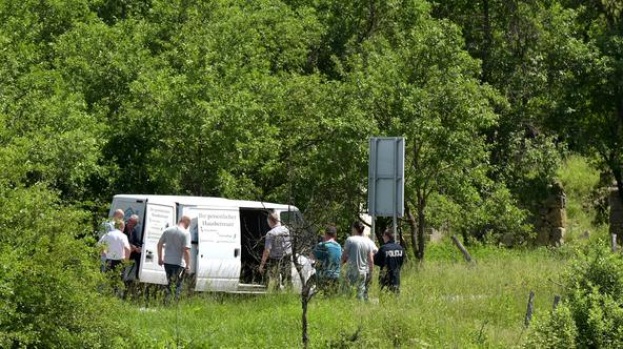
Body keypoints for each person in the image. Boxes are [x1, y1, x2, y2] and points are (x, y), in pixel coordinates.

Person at [157, 216, 191, 303]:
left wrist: (160, 258)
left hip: (167, 261)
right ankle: (173, 303)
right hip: (178, 263)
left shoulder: (168, 230)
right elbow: (186, 251)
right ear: (186, 222)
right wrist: (188, 265)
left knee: (170, 283)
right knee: (177, 284)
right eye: (188, 224)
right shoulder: (185, 233)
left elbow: (159, 244)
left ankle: (167, 301)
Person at [259, 211, 292, 291]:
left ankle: (276, 294)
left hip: (276, 259)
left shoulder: (271, 233)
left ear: (270, 221)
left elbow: (267, 250)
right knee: (288, 279)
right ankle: (289, 294)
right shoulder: (287, 230)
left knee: (274, 280)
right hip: (287, 258)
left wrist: (262, 264)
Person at [342, 221, 374, 300]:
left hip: (352, 271)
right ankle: (361, 309)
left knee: (348, 293)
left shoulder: (350, 240)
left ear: (354, 229)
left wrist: (339, 266)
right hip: (363, 272)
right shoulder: (367, 241)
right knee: (360, 293)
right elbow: (371, 260)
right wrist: (370, 273)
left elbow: (344, 256)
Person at [312, 225, 342, 293]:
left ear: (325, 234)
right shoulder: (339, 246)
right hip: (336, 276)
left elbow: (312, 256)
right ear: (335, 235)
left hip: (324, 276)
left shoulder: (322, 245)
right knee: (332, 299)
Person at [374, 228, 405, 293]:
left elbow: (376, 261)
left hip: (384, 278)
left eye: (383, 236)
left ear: (386, 236)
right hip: (396, 278)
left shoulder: (383, 248)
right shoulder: (400, 248)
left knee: (384, 299)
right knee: (395, 298)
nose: (383, 238)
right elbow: (401, 262)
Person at [123, 214, 142, 282]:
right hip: (123, 250)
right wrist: (132, 246)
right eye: (132, 223)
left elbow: (137, 241)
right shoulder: (123, 228)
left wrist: (138, 247)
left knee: (140, 255)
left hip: (132, 251)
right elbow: (123, 241)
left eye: (134, 224)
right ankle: (122, 275)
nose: (132, 225)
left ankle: (137, 276)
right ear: (129, 221)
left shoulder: (134, 230)